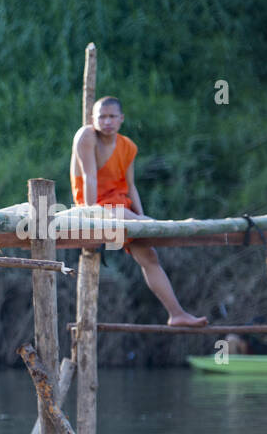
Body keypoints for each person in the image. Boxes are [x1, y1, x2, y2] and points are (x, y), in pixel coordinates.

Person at [71, 96, 206, 327]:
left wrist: (142, 220)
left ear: (121, 119)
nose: (107, 122)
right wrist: (91, 214)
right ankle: (165, 224)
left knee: (150, 256)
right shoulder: (87, 136)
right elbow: (89, 176)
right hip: (94, 205)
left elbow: (130, 186)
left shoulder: (128, 146)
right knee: (124, 217)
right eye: (101, 117)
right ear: (93, 119)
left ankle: (177, 314)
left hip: (121, 208)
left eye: (112, 116)